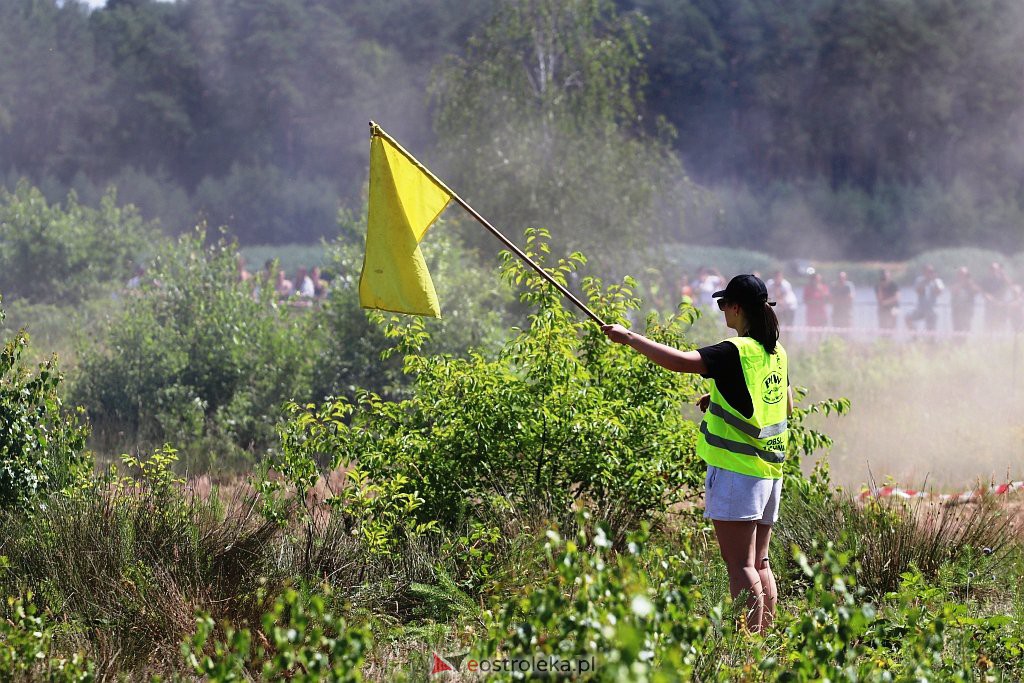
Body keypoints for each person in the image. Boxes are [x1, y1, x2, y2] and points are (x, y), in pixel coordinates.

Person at [602, 274, 792, 633]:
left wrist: (629, 337)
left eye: (723, 304)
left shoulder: (734, 350)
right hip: (769, 472)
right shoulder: (776, 352)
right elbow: (785, 406)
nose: (722, 311)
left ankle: (747, 643)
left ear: (736, 308)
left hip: (738, 473)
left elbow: (679, 361)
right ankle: (764, 637)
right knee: (761, 562)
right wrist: (719, 396)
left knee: (740, 565)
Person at [905, 264, 944, 333]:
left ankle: (931, 341)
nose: (930, 273)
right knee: (908, 318)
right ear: (924, 272)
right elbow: (918, 291)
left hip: (932, 310)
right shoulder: (919, 280)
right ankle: (914, 335)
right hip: (920, 309)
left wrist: (934, 281)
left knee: (931, 330)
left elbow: (940, 292)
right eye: (928, 271)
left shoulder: (938, 281)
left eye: (932, 271)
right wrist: (926, 281)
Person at [981, 261, 1011, 332]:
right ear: (989, 270)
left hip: (1001, 304)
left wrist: (1003, 273)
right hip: (990, 305)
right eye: (992, 269)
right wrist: (988, 296)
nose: (993, 270)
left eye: (995, 269)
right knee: (989, 323)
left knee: (1001, 323)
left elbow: (1010, 284)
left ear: (998, 270)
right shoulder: (986, 280)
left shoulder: (1003, 279)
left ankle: (1001, 339)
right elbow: (983, 292)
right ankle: (988, 340)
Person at [949, 266, 979, 335]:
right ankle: (957, 343)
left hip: (968, 310)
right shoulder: (954, 282)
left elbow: (977, 291)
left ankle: (965, 343)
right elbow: (952, 290)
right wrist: (961, 283)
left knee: (967, 327)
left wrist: (970, 283)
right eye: (961, 274)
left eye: (965, 274)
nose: (963, 276)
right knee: (957, 328)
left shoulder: (971, 283)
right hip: (957, 309)